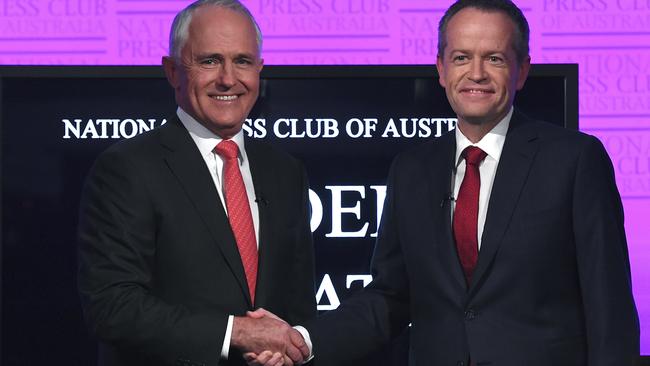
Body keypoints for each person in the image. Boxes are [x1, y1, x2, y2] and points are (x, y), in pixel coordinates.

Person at [247, 0, 640, 365]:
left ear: (522, 70)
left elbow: (609, 309)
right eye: (461, 58)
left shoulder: (574, 160)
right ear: (441, 68)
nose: (477, 73)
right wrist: (302, 341)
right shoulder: (412, 169)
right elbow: (390, 298)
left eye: (495, 58)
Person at [77, 1, 315, 365]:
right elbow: (113, 307)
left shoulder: (286, 172)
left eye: (243, 61)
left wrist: (286, 350)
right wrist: (234, 332)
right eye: (209, 61)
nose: (228, 79)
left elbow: (298, 308)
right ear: (172, 71)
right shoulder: (127, 169)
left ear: (260, 70)